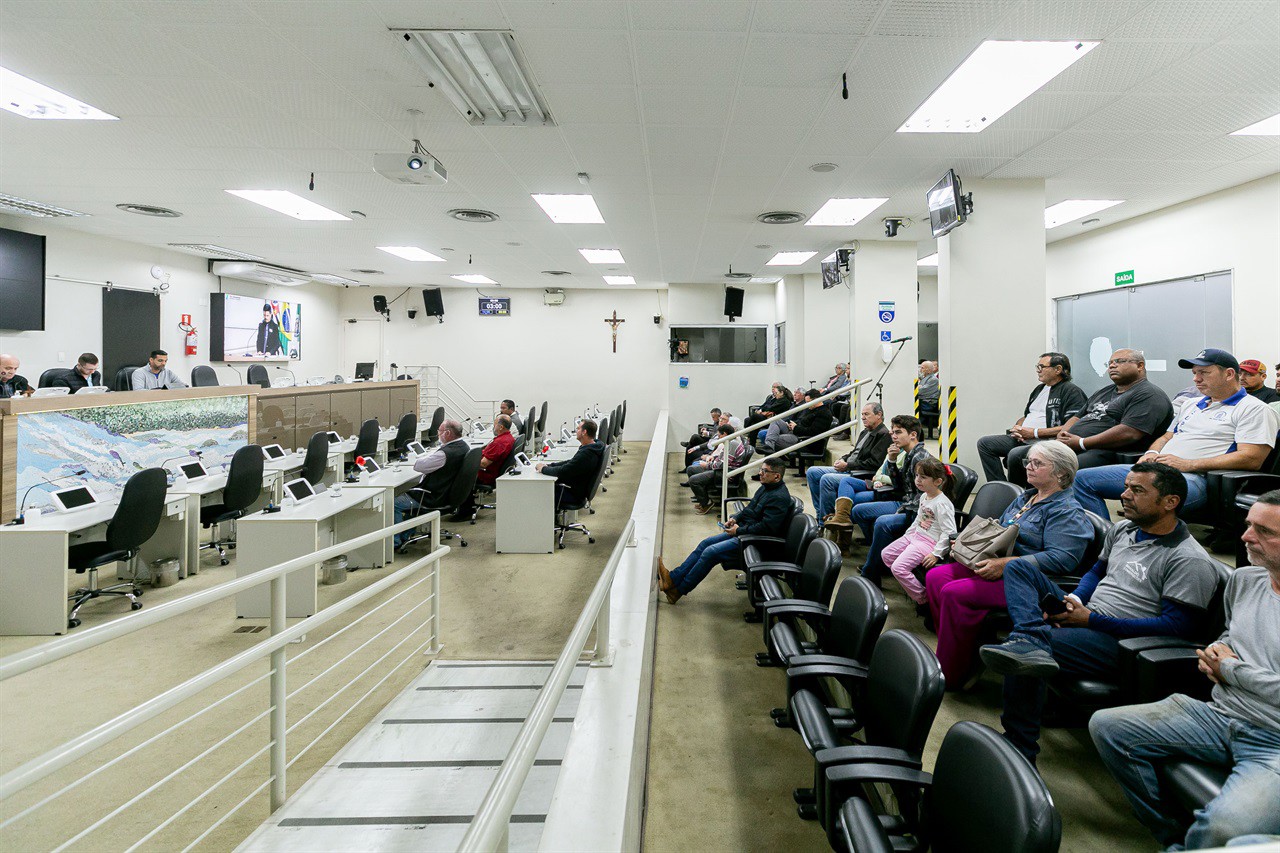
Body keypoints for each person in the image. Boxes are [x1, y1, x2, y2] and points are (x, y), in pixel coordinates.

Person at [980, 462, 1220, 763]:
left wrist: (1091, 619)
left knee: (1029, 652)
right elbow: (1096, 571)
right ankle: (1029, 634)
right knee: (1018, 567)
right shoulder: (1123, 529)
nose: (1125, 495)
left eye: (1137, 490)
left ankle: (1021, 746)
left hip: (1119, 640)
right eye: (1126, 487)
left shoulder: (1189, 560)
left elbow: (1177, 627)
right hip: (1088, 613)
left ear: (1170, 502)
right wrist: (1075, 599)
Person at [1089, 489, 1280, 850]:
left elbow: (1238, 666)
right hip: (1221, 713)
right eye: (1248, 525)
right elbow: (1232, 634)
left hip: (1273, 738)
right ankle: (1173, 837)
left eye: (1265, 531)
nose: (1245, 537)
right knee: (1108, 727)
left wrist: (1230, 669)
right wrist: (1216, 652)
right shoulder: (1246, 580)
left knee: (1227, 828)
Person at [925, 441, 1093, 689]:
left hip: (1026, 581)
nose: (1028, 467)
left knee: (954, 593)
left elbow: (1063, 559)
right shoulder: (1027, 497)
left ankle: (953, 672)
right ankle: (963, 647)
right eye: (1028, 461)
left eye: (1038, 463)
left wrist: (1007, 564)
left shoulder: (1067, 511)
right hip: (999, 563)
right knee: (936, 577)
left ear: (1061, 473)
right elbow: (1001, 532)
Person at [1072, 349, 1278, 520]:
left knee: (1144, 496)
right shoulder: (1191, 404)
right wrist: (1150, 453)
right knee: (1081, 480)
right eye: (1195, 373)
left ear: (1229, 374)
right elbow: (1167, 437)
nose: (1196, 379)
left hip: (1196, 478)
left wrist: (1189, 464)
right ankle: (1105, 541)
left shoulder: (1254, 409)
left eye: (1204, 373)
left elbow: (1252, 458)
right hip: (1157, 468)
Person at [656, 458, 790, 604]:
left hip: (756, 541)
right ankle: (672, 579)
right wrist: (736, 519)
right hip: (746, 532)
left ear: (777, 476)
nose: (760, 473)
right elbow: (750, 508)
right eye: (761, 469)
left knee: (710, 552)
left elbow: (767, 528)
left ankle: (678, 591)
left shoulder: (779, 497)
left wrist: (739, 531)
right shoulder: (765, 487)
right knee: (705, 543)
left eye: (765, 471)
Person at [1043, 348, 1174, 480]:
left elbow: (1129, 433)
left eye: (1119, 361)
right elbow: (1078, 416)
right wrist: (1063, 434)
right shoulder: (1103, 391)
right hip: (1075, 445)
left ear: (1140, 366)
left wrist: (1082, 442)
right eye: (1110, 363)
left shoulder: (1149, 394)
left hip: (1108, 450)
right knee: (1025, 456)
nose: (1112, 365)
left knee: (1055, 469)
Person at [835, 415, 932, 586]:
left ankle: (871, 572)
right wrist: (892, 461)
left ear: (913, 435)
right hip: (903, 501)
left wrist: (905, 510)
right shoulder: (909, 454)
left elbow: (927, 496)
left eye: (898, 432)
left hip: (914, 510)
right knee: (858, 510)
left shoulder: (921, 458)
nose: (893, 436)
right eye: (893, 432)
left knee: (882, 522)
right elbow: (899, 484)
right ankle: (881, 556)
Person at [976, 352, 1087, 484]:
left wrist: (1033, 433)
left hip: (1048, 442)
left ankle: (1017, 494)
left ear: (1058, 369)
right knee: (985, 443)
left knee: (1015, 454)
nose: (1038, 371)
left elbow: (1073, 426)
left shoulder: (1071, 391)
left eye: (1042, 367)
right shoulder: (1039, 389)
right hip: (1024, 438)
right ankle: (1000, 487)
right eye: (1037, 367)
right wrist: (1018, 428)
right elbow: (1028, 415)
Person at [883, 457, 958, 606]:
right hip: (915, 536)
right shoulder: (924, 495)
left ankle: (924, 599)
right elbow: (919, 519)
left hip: (929, 542)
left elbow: (949, 531)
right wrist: (907, 536)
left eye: (923, 477)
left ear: (937, 481)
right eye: (917, 475)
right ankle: (911, 586)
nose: (918, 480)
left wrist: (936, 553)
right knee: (886, 555)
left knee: (899, 568)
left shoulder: (942, 503)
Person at [806, 402, 891, 521]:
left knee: (827, 479)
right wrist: (843, 459)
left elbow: (874, 463)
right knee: (812, 472)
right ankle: (821, 513)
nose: (862, 417)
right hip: (849, 467)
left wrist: (847, 465)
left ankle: (825, 521)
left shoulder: (884, 435)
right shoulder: (865, 432)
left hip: (860, 474)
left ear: (879, 415)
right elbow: (854, 453)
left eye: (866, 414)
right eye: (862, 414)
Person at [393, 419, 467, 547]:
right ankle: (406, 535)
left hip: (433, 496)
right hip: (447, 494)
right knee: (407, 498)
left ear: (448, 433)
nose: (438, 433)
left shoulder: (444, 454)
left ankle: (395, 542)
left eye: (440, 431)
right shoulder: (463, 446)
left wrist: (422, 457)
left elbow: (419, 466)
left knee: (394, 503)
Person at [538, 419, 606, 509]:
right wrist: (551, 465)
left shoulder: (587, 454)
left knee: (539, 491)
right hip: (577, 489)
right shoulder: (593, 447)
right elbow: (571, 463)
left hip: (574, 495)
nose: (576, 431)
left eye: (578, 429)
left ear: (584, 432)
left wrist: (543, 469)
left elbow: (564, 471)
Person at [689, 423, 749, 514]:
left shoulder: (732, 444)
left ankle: (706, 503)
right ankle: (703, 498)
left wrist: (707, 465)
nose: (719, 437)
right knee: (691, 469)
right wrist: (712, 459)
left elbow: (722, 465)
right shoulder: (730, 441)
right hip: (720, 469)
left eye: (720, 435)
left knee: (693, 480)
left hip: (724, 473)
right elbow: (721, 459)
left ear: (724, 434)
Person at [762, 388, 833, 453]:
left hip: (804, 440)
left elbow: (812, 432)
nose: (807, 405)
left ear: (816, 400)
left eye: (808, 402)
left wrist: (795, 427)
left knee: (773, 439)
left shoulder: (824, 413)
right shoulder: (811, 409)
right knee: (776, 420)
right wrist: (792, 424)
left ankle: (770, 453)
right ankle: (768, 448)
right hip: (797, 433)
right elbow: (802, 421)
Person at [475, 414, 515, 488]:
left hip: (485, 475)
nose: (493, 427)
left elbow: (483, 464)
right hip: (493, 472)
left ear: (501, 427)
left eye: (494, 424)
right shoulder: (509, 438)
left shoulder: (499, 443)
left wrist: (468, 461)